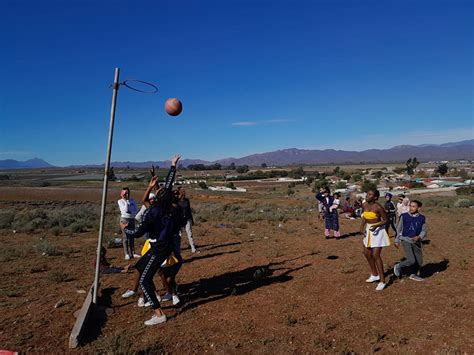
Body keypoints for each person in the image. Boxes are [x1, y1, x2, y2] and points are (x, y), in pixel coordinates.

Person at [121, 155, 181, 326]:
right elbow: (168, 185)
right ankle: (150, 296)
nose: (159, 190)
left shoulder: (153, 213)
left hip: (159, 248)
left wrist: (126, 229)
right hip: (163, 246)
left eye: (157, 192)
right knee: (140, 267)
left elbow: (138, 232)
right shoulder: (167, 206)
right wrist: (172, 166)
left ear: (157, 199)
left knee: (144, 279)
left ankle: (159, 312)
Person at [360, 189, 390, 291]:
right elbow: (364, 217)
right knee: (366, 253)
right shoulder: (365, 205)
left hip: (378, 231)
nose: (367, 195)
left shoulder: (378, 207)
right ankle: (374, 274)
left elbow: (386, 220)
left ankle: (382, 281)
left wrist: (377, 225)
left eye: (370, 194)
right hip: (369, 230)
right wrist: (361, 227)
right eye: (367, 193)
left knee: (375, 255)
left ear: (375, 197)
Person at [393, 200, 427, 281]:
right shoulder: (404, 216)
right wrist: (396, 240)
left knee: (419, 261)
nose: (411, 208)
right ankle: (398, 266)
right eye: (410, 206)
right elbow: (399, 228)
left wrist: (419, 237)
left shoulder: (422, 218)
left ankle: (413, 274)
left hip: (416, 241)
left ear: (418, 208)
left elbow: (424, 230)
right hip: (405, 239)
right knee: (411, 260)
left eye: (413, 206)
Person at [118, 187, 139, 260]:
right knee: (125, 237)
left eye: (127, 193)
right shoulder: (120, 201)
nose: (127, 194)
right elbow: (125, 210)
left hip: (132, 219)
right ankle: (126, 253)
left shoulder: (132, 200)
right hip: (124, 220)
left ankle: (133, 253)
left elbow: (136, 209)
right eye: (125, 193)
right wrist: (126, 201)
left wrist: (131, 211)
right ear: (121, 194)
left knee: (132, 236)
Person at [177, 186, 198, 253]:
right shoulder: (176, 201)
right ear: (179, 192)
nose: (184, 192)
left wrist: (192, 220)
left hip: (187, 219)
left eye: (184, 191)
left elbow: (189, 210)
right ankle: (177, 249)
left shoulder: (187, 200)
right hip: (179, 220)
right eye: (182, 191)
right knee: (179, 235)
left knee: (190, 234)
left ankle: (193, 248)